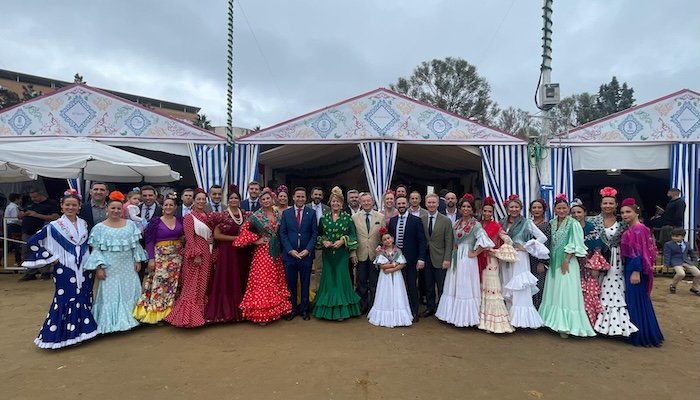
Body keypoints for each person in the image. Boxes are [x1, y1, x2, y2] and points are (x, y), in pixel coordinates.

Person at [22, 189, 98, 349]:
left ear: (79, 207)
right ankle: (62, 335)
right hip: (65, 267)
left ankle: (81, 332)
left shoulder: (83, 223)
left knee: (83, 295)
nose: (71, 208)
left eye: (74, 205)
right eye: (67, 205)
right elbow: (33, 242)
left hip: (84, 267)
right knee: (65, 298)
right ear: (62, 206)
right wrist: (50, 257)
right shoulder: (53, 226)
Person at [85, 191, 147, 334]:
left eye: (119, 208)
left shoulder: (130, 225)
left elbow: (136, 245)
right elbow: (96, 250)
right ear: (107, 209)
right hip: (109, 267)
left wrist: (137, 260)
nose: (116, 211)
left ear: (122, 210)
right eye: (113, 208)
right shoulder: (99, 228)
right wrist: (99, 268)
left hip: (128, 265)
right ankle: (111, 323)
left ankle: (133, 318)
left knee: (130, 290)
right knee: (110, 294)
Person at [538, 194, 595, 338]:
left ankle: (566, 326)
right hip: (553, 263)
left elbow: (576, 243)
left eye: (564, 208)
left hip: (567, 263)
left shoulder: (573, 223)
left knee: (566, 293)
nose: (562, 210)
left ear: (568, 209)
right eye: (559, 208)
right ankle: (551, 321)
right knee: (554, 291)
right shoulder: (552, 222)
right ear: (555, 209)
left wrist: (567, 260)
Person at [234, 188, 291, 324]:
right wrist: (255, 240)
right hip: (262, 252)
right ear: (260, 201)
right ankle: (261, 313)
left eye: (268, 198)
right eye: (263, 199)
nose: (266, 201)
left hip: (276, 251)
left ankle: (276, 311)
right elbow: (242, 229)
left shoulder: (277, 214)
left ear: (272, 200)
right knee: (263, 281)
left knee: (276, 280)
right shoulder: (256, 216)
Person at [436, 194, 493, 328]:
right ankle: (452, 314)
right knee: (454, 284)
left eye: (468, 206)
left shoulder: (476, 224)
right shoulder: (456, 223)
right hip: (456, 257)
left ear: (472, 209)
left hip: (467, 259)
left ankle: (466, 317)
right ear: (460, 208)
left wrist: (475, 252)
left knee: (465, 284)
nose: (465, 209)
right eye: (463, 206)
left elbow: (485, 242)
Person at [588, 187, 637, 337]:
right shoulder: (592, 221)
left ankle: (614, 326)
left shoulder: (623, 222)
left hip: (616, 260)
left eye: (611, 203)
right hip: (596, 259)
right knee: (595, 287)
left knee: (612, 286)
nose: (607, 206)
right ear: (601, 204)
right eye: (605, 203)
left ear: (616, 205)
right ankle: (596, 323)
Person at [165, 189, 213, 328]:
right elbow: (190, 238)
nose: (201, 201)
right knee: (192, 284)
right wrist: (195, 254)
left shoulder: (207, 216)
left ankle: (200, 315)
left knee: (204, 282)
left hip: (207, 252)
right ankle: (187, 317)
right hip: (196, 254)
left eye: (204, 199)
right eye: (199, 199)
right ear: (194, 200)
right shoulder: (189, 217)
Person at [619, 198, 664, 347]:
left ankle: (642, 335)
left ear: (636, 212)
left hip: (635, 268)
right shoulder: (632, 229)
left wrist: (636, 271)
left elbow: (638, 252)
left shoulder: (639, 229)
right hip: (631, 268)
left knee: (637, 301)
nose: (625, 215)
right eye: (623, 212)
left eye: (628, 212)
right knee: (636, 301)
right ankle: (644, 333)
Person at [133, 196, 184, 324]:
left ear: (175, 207)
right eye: (166, 205)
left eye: (171, 205)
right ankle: (157, 313)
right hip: (160, 257)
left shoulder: (180, 220)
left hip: (177, 256)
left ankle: (170, 312)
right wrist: (151, 259)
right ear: (162, 207)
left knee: (173, 285)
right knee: (159, 284)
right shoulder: (156, 222)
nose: (168, 207)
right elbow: (149, 241)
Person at [313, 187, 362, 320]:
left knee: (341, 278)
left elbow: (352, 235)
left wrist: (343, 240)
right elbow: (318, 235)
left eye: (338, 202)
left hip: (341, 254)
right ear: (330, 202)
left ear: (342, 204)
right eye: (333, 201)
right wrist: (324, 242)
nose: (335, 204)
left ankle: (342, 310)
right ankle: (327, 310)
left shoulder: (348, 218)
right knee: (328, 278)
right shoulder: (323, 219)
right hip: (328, 254)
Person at [205, 186, 252, 322]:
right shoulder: (222, 216)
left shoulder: (245, 215)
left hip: (242, 252)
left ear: (240, 200)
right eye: (231, 198)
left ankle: (242, 310)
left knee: (241, 277)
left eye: (236, 198)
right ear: (228, 200)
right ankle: (227, 311)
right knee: (228, 279)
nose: (233, 200)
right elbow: (217, 235)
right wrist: (237, 239)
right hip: (228, 253)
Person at [499, 194, 546, 329]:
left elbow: (542, 237)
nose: (514, 209)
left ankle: (519, 320)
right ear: (507, 208)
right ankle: (508, 317)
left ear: (521, 208)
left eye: (516, 207)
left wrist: (526, 247)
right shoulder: (502, 221)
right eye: (511, 207)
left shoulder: (527, 222)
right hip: (505, 258)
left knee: (519, 287)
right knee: (507, 284)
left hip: (519, 259)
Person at [278, 187, 318, 321]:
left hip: (306, 254)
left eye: (302, 197)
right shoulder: (286, 213)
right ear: (293, 198)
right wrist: (290, 250)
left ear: (306, 198)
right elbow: (282, 233)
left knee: (306, 282)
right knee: (291, 283)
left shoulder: (311, 213)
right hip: (290, 255)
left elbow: (314, 233)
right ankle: (293, 309)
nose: (300, 199)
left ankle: (305, 309)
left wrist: (308, 250)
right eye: (298, 196)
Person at [477, 197, 515, 334]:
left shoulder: (497, 226)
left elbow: (508, 241)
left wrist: (497, 252)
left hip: (491, 261)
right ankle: (481, 320)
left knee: (491, 289)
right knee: (481, 289)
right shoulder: (477, 224)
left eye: (489, 211)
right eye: (485, 210)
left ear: (492, 213)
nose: (487, 213)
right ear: (482, 211)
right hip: (478, 259)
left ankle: (494, 322)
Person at [388, 195, 427, 322]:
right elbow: (389, 240)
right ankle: (399, 310)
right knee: (398, 285)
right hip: (395, 259)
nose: (401, 206)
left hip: (411, 259)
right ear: (396, 205)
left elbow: (422, 241)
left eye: (403, 203)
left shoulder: (416, 220)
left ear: (407, 203)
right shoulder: (392, 221)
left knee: (411, 285)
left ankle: (414, 311)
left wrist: (421, 258)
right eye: (398, 204)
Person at [571, 199, 606, 327]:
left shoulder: (591, 228)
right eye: (573, 212)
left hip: (588, 264)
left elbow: (597, 248)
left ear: (585, 213)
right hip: (573, 264)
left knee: (589, 293)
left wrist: (595, 266)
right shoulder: (569, 227)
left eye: (579, 212)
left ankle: (588, 323)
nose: (576, 215)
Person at [368, 228, 413, 328]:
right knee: (385, 293)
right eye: (384, 239)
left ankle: (399, 317)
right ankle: (385, 315)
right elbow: (381, 266)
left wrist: (391, 269)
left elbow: (403, 263)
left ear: (392, 238)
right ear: (382, 242)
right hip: (385, 278)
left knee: (397, 293)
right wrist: (393, 264)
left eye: (388, 238)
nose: (387, 241)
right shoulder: (382, 252)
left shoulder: (398, 250)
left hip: (396, 276)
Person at [420, 193, 454, 318]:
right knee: (428, 284)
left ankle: (442, 308)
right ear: (425, 204)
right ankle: (430, 308)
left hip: (440, 257)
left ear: (438, 204)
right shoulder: (422, 219)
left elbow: (449, 241)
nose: (431, 205)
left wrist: (447, 259)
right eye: (429, 203)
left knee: (441, 285)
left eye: (434, 203)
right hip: (426, 257)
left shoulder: (445, 220)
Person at [351, 192, 385, 314]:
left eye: (368, 201)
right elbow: (352, 237)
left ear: (372, 202)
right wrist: (353, 253)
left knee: (374, 282)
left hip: (375, 255)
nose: (366, 203)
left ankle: (374, 306)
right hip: (360, 254)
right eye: (363, 201)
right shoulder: (355, 217)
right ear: (360, 202)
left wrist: (381, 249)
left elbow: (384, 236)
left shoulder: (380, 217)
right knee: (361, 282)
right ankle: (363, 306)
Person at [19, 188, 60, 281]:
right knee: (27, 251)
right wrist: (23, 213)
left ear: (42, 194)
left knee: (44, 250)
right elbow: (20, 214)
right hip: (27, 232)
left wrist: (36, 215)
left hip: (42, 232)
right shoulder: (29, 203)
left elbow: (55, 217)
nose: (33, 199)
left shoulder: (51, 204)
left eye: (35, 197)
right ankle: (30, 272)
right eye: (31, 197)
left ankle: (45, 272)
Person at [528, 199, 550, 309]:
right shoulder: (527, 223)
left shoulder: (546, 225)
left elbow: (546, 244)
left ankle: (538, 314)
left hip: (539, 260)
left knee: (539, 286)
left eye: (539, 208)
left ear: (543, 210)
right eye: (534, 208)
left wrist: (542, 262)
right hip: (527, 259)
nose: (536, 210)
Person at [664, 228, 699, 296]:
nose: (674, 238)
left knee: (698, 274)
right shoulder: (668, 244)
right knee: (681, 274)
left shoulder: (687, 244)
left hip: (686, 261)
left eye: (677, 236)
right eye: (673, 236)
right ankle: (673, 285)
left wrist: (694, 261)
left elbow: (691, 253)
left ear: (683, 237)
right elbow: (667, 254)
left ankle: (695, 288)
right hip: (675, 262)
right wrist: (667, 264)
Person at [308, 187, 330, 293]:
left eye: (319, 195)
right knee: (307, 269)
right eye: (315, 194)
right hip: (306, 242)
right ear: (311, 195)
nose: (317, 196)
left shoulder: (327, 209)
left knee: (319, 269)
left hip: (320, 243)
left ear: (322, 196)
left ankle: (318, 291)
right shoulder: (306, 207)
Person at [4, 193, 23, 266]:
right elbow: (16, 218)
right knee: (16, 244)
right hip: (14, 226)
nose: (21, 200)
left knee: (10, 244)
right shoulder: (14, 207)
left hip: (10, 226)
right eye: (20, 199)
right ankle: (17, 261)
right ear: (16, 199)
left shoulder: (9, 206)